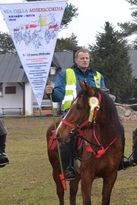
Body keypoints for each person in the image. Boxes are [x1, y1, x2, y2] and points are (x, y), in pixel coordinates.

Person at [45, 48, 107, 181]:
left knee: (115, 130)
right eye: (82, 58)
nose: (85, 60)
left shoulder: (98, 76)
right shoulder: (66, 74)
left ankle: (117, 162)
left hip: (94, 115)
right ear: (75, 60)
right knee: (66, 137)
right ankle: (68, 168)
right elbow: (59, 95)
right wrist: (50, 93)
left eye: (87, 58)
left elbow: (104, 94)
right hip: (72, 114)